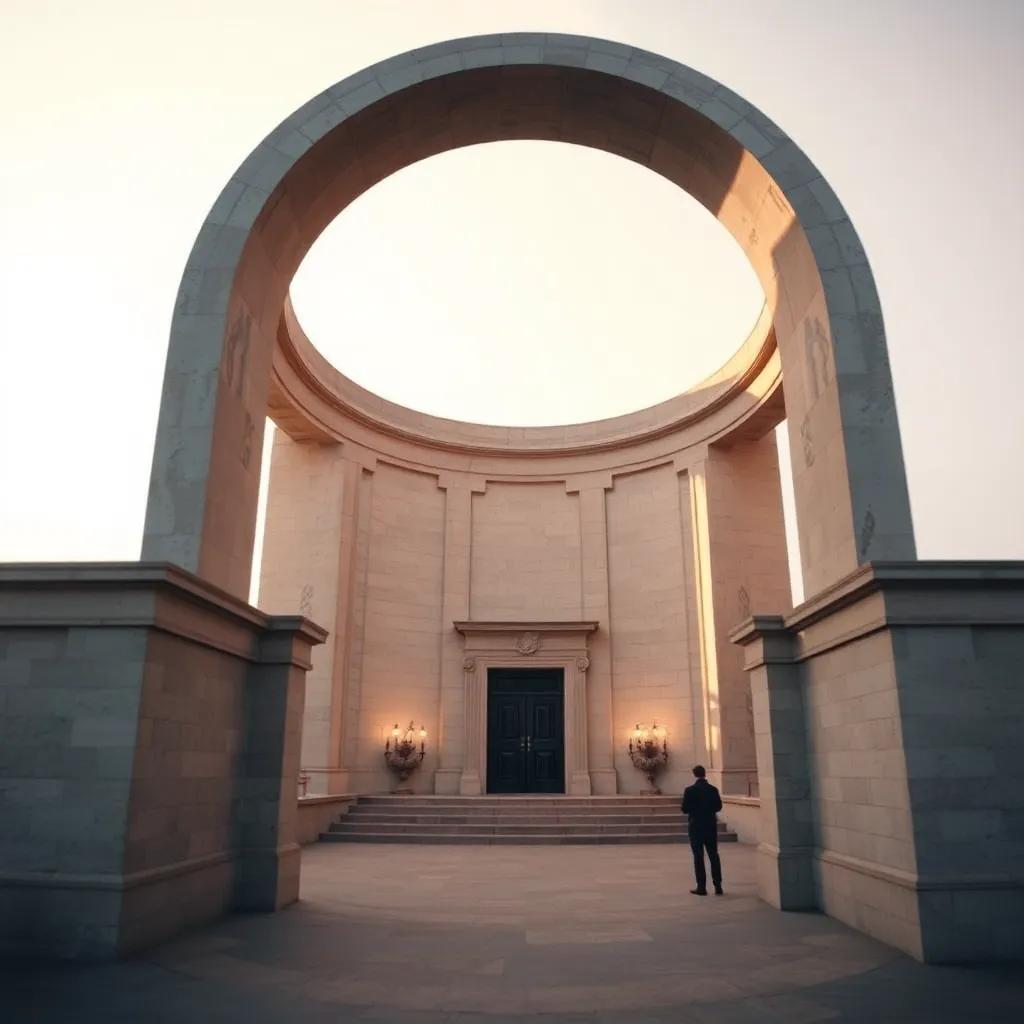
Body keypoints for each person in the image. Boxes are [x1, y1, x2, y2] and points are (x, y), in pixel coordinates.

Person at [681, 765, 723, 895]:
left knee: (698, 856)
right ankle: (718, 886)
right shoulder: (713, 789)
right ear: (704, 774)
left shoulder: (690, 790)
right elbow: (718, 806)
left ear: (694, 774)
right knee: (713, 855)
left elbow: (684, 809)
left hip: (696, 826)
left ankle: (701, 887)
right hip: (710, 825)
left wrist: (696, 810)